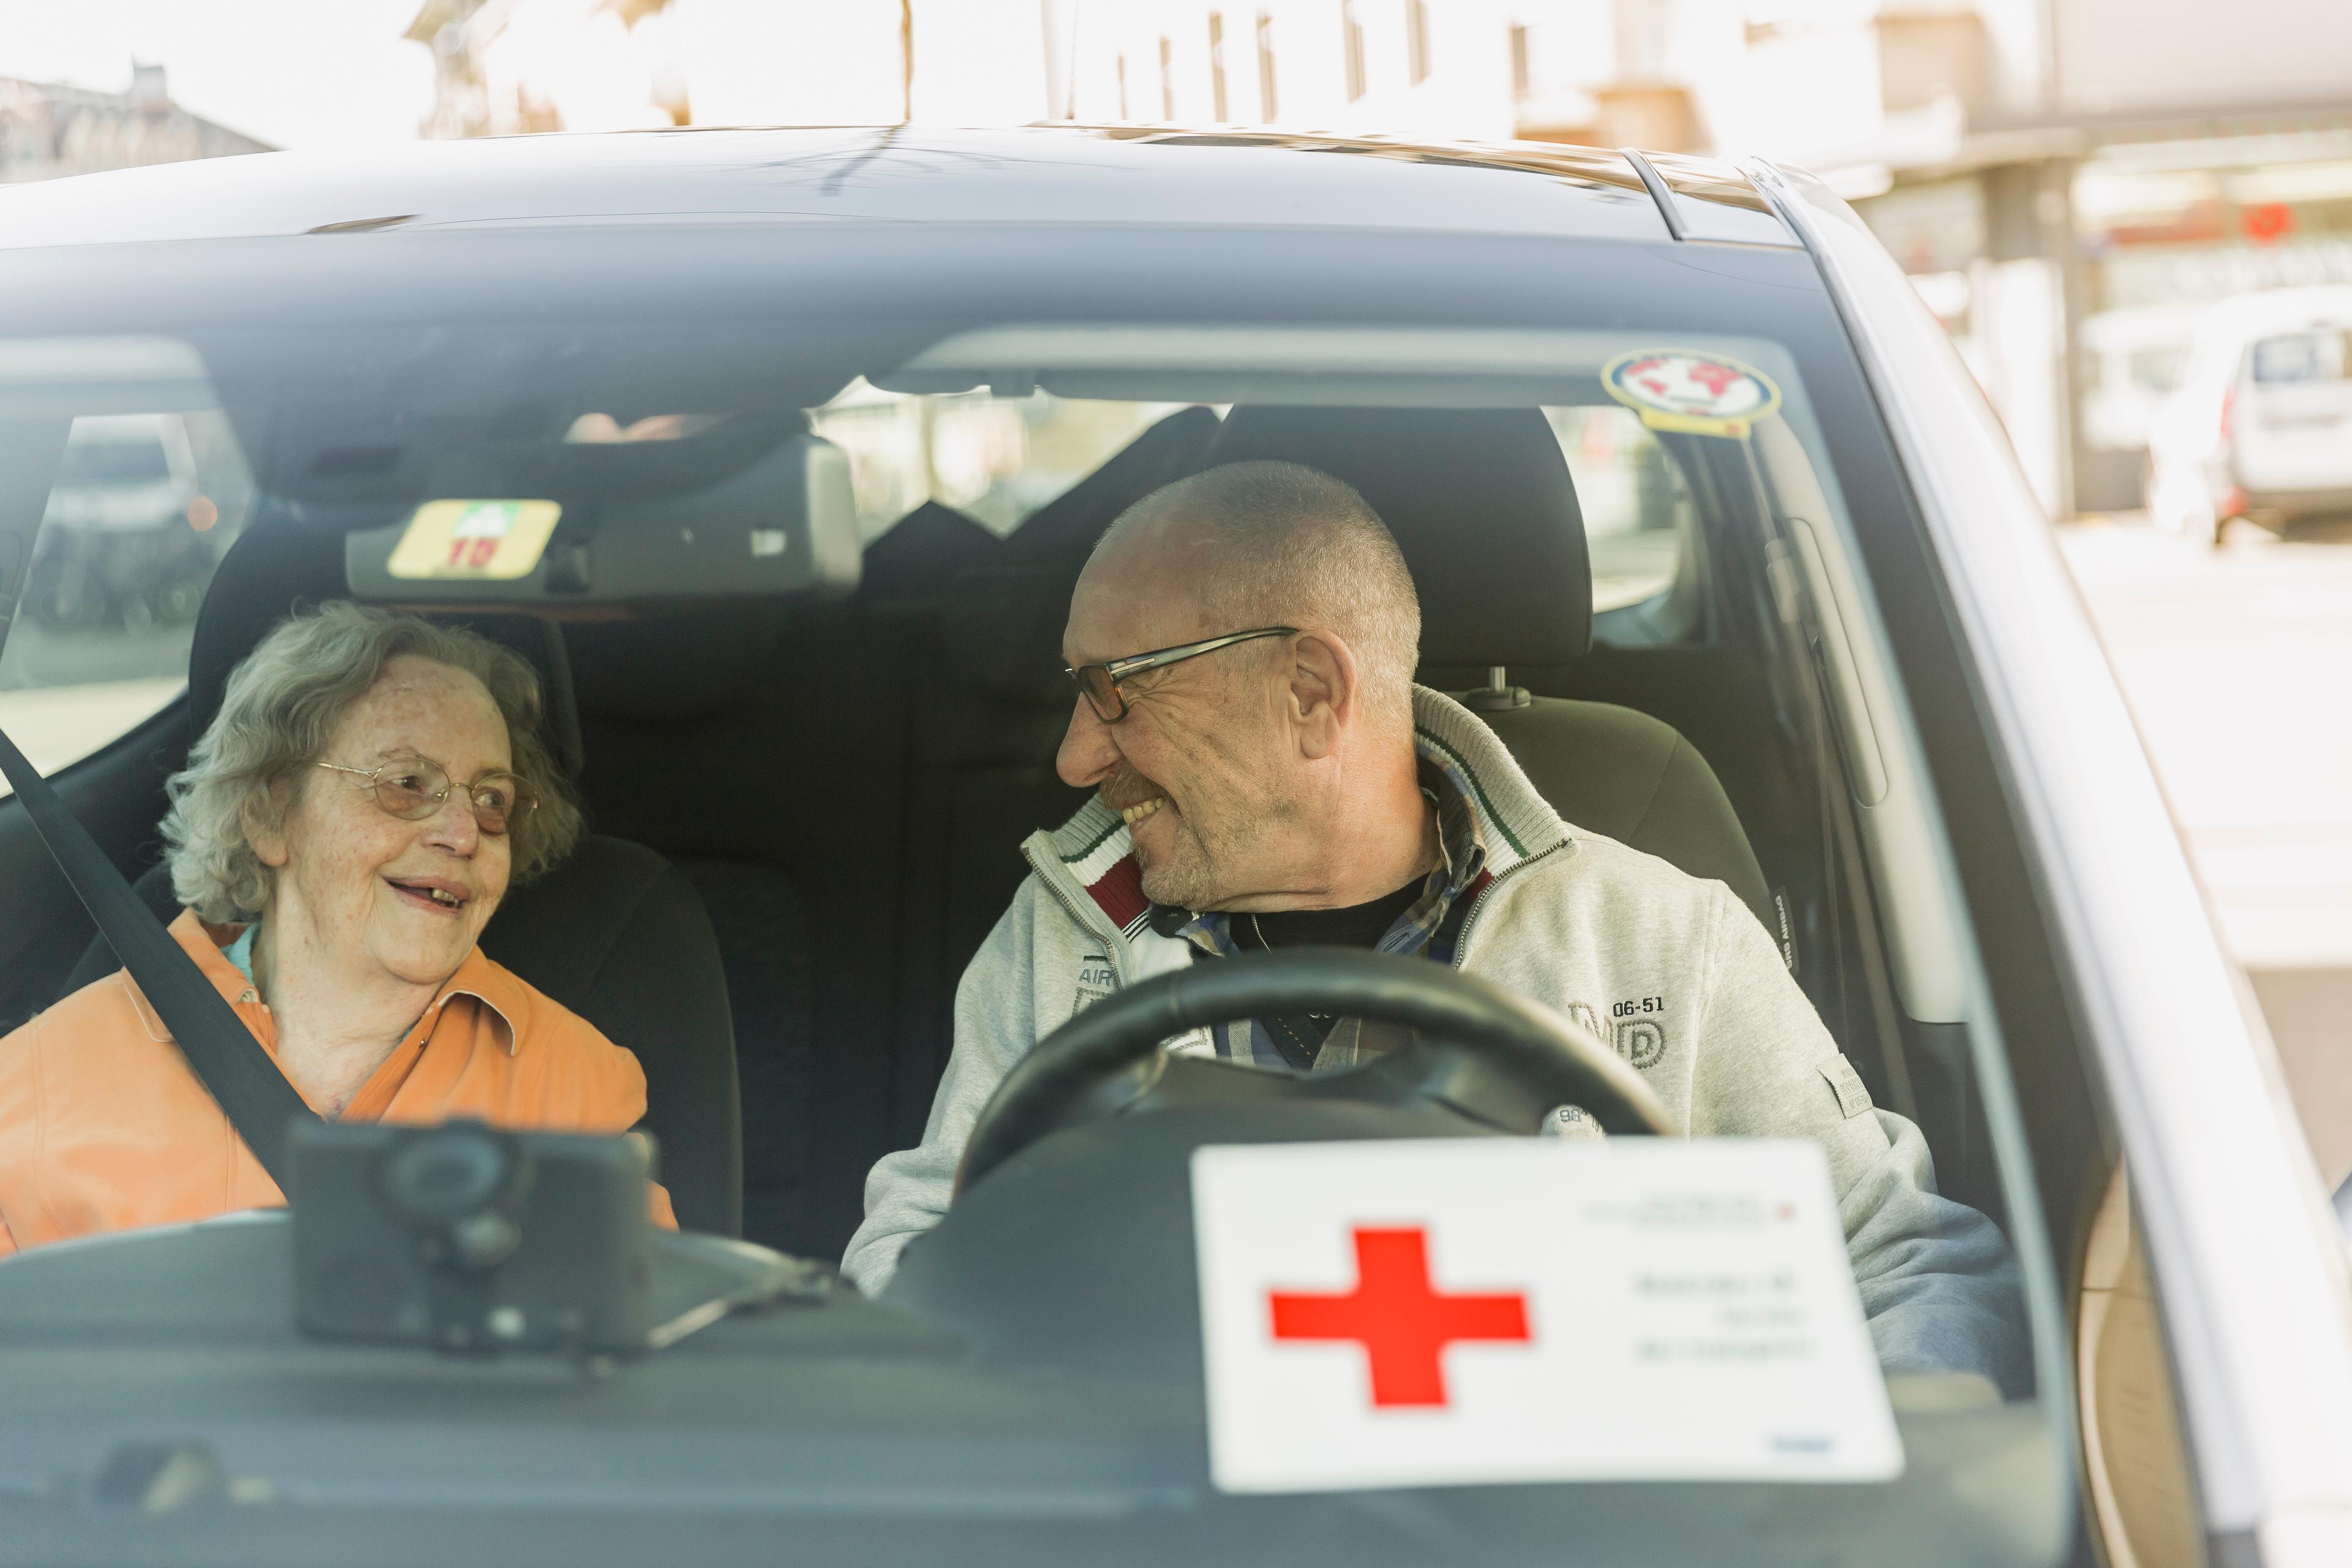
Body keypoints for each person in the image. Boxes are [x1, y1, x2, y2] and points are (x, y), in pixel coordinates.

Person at [844, 459, 2026, 1390]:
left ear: (1312, 694)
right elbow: (918, 1259)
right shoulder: (1062, 933)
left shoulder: (1660, 943)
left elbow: (1908, 1268)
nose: (1073, 755)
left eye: (1119, 690)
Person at [0, 603, 674, 1257]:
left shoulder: (580, 1086)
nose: (464, 833)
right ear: (268, 815)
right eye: (407, 783)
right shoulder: (27, 1091)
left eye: (491, 800)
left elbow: (650, 1357)